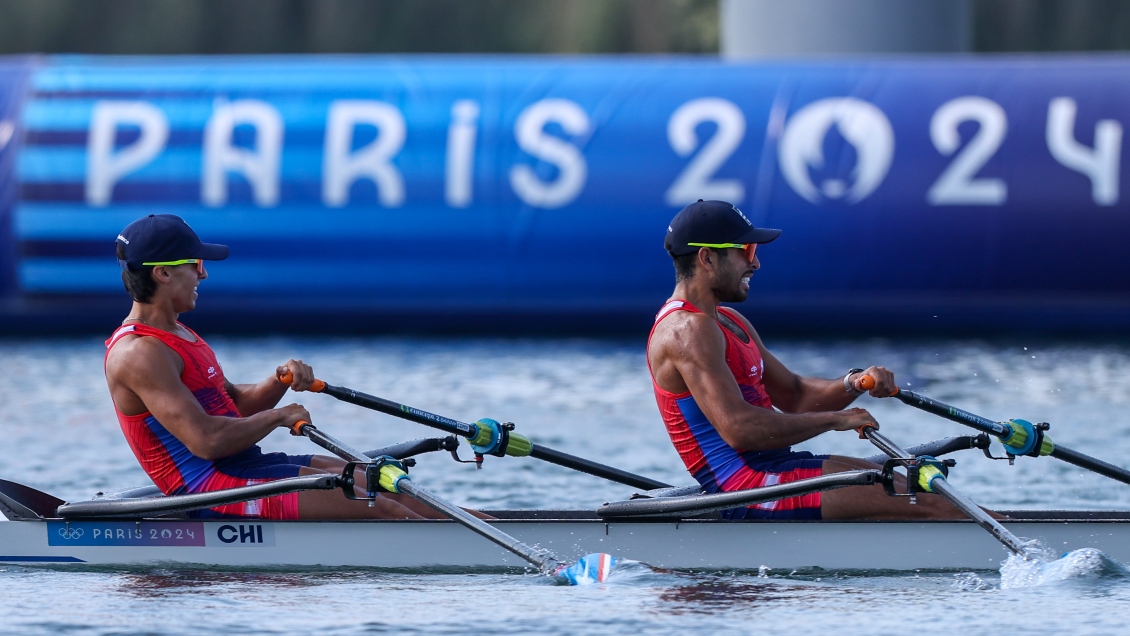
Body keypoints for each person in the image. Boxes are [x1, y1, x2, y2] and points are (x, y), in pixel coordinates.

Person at [647, 200, 980, 520]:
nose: (755, 263)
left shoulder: (729, 321)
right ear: (707, 258)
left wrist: (854, 383)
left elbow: (795, 394)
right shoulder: (685, 331)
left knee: (914, 487)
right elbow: (740, 430)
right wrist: (835, 420)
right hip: (748, 486)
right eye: (745, 251)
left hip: (775, 469)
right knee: (929, 504)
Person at [104, 214, 446, 521]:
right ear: (162, 272)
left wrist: (278, 380)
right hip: (209, 489)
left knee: (371, 478)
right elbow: (206, 441)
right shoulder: (138, 353)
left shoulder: (178, 333)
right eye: (195, 263)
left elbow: (233, 406)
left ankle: (487, 528)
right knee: (379, 505)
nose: (203, 273)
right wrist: (278, 417)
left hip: (243, 467)